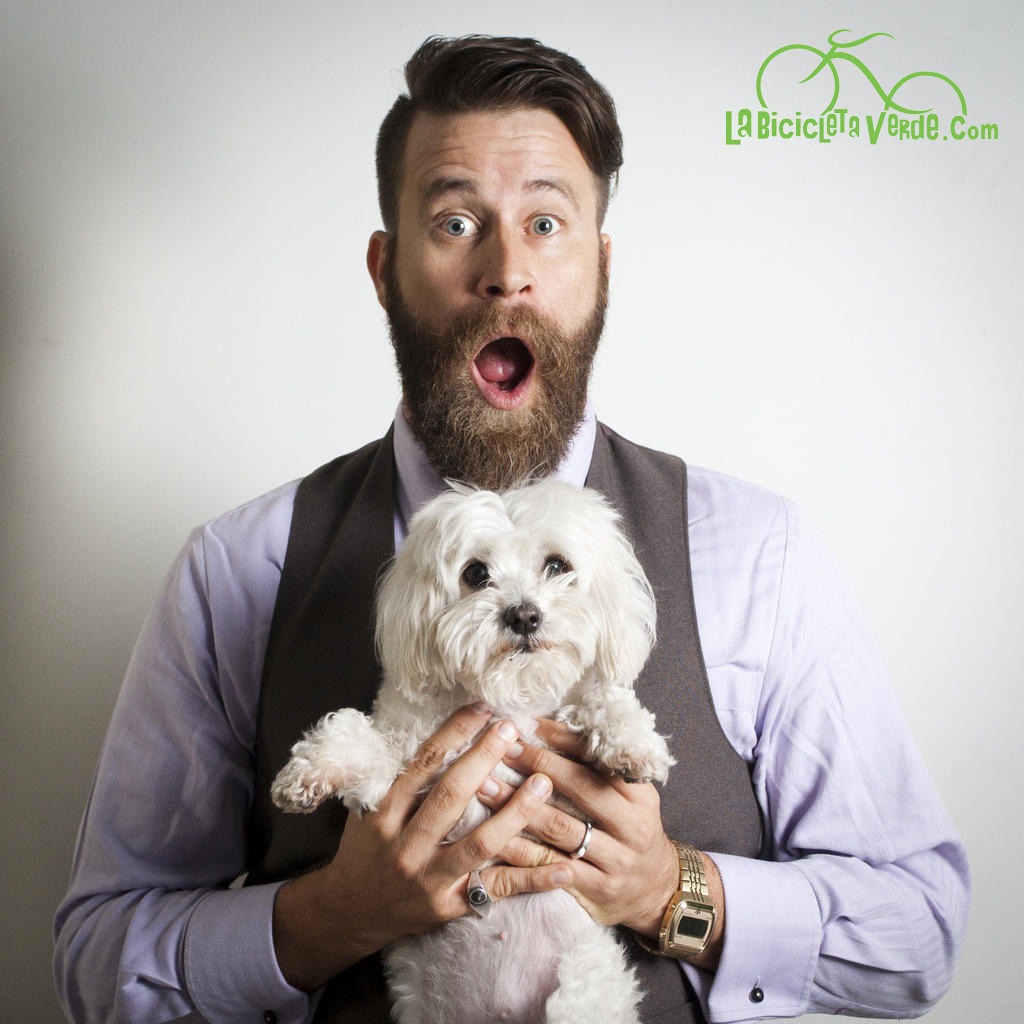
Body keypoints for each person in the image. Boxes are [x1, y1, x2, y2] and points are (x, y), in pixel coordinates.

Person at [54, 34, 969, 1024]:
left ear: (601, 268)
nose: (506, 271)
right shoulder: (237, 568)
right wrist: (327, 918)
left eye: (546, 222)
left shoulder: (756, 552)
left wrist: (672, 890)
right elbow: (96, 963)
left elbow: (916, 935)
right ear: (384, 265)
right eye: (454, 222)